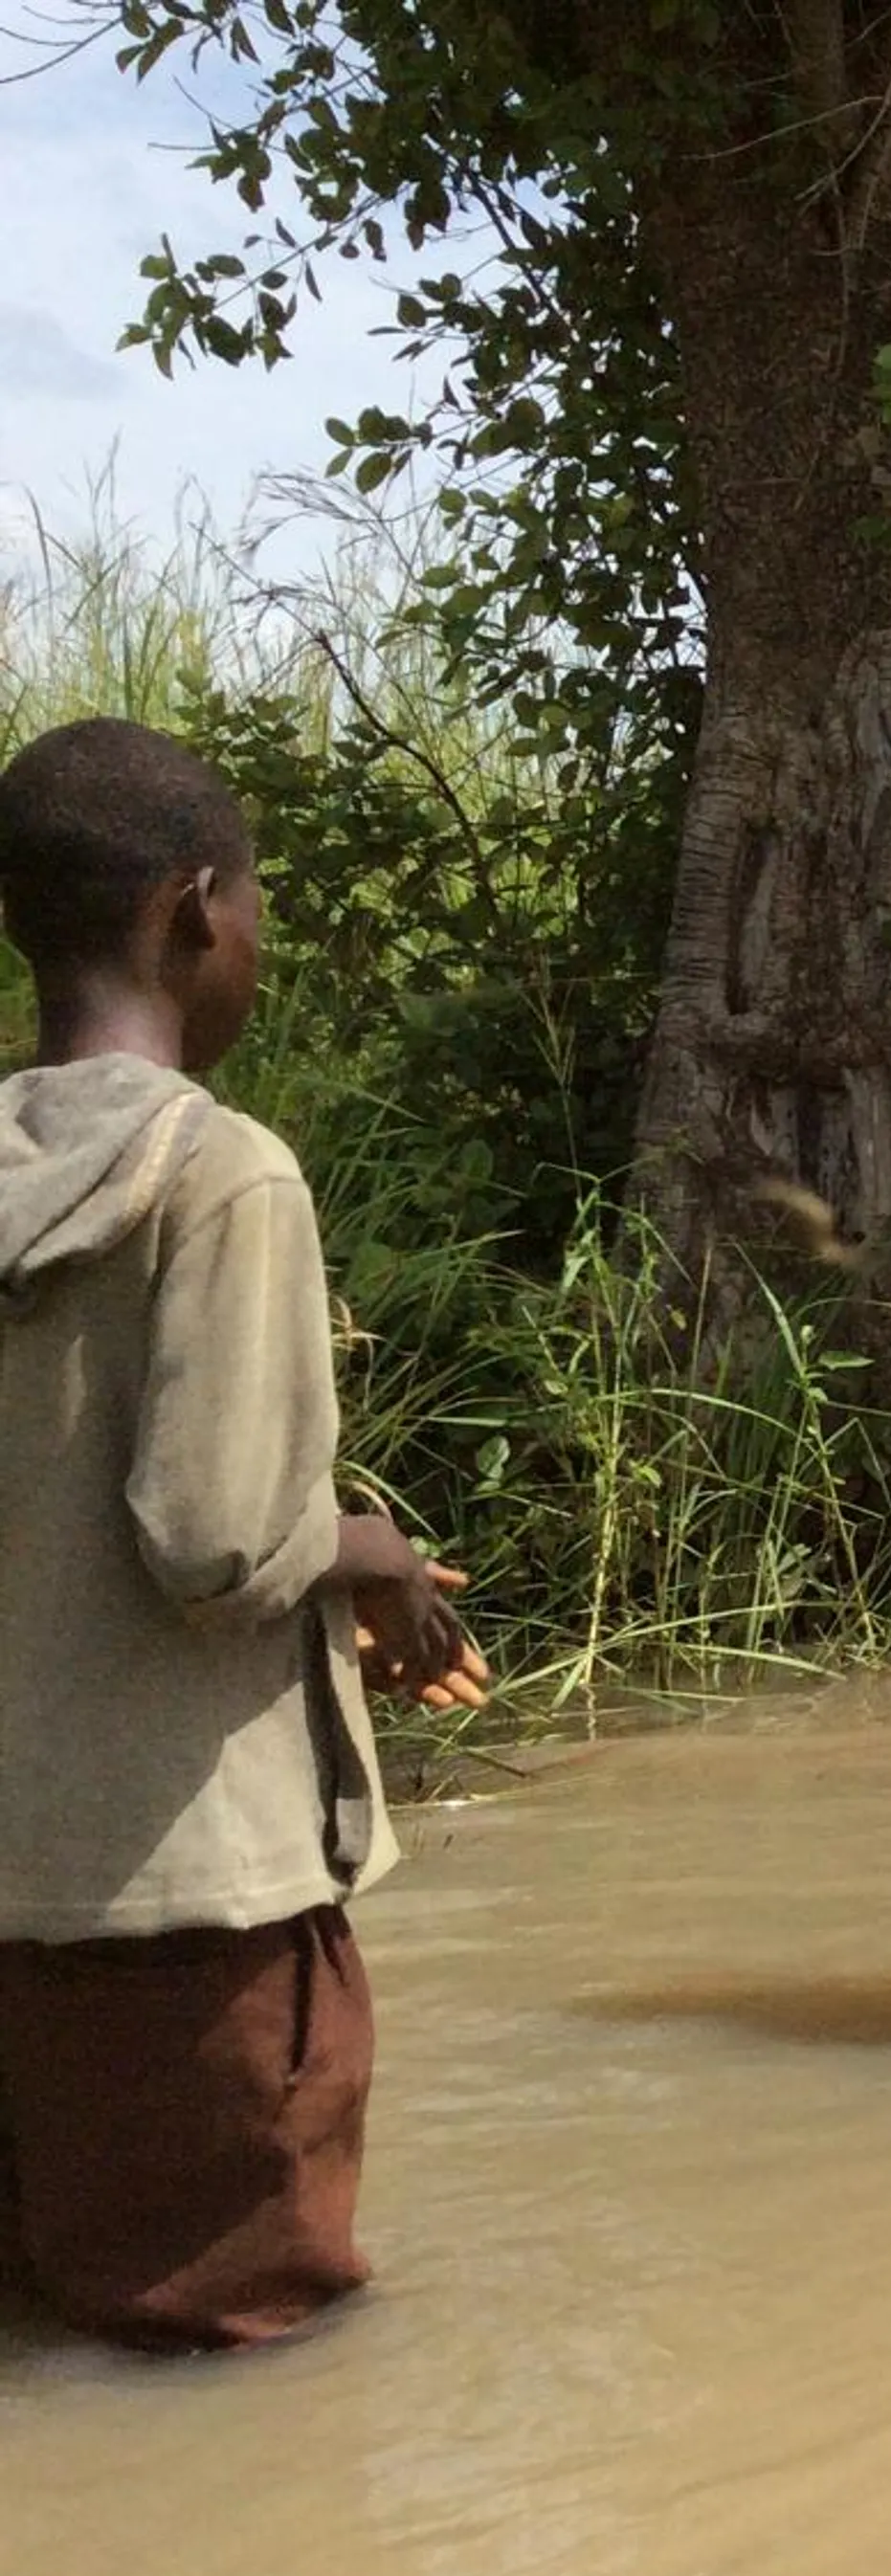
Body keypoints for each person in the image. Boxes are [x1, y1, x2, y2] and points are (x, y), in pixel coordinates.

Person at [0, 717, 487, 2352]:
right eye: (257, 904)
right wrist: (367, 1551)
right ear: (192, 910)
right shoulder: (224, 1175)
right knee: (242, 2383)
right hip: (190, 1926)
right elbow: (213, 1542)